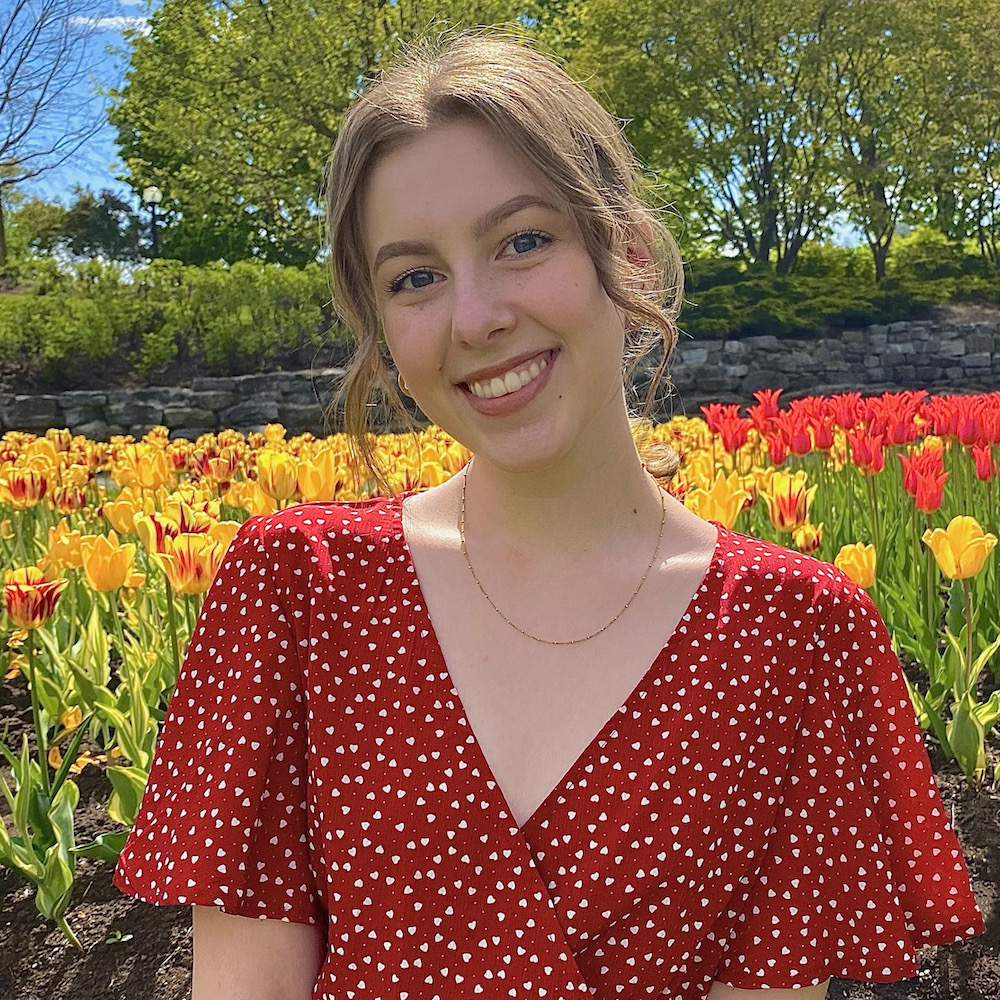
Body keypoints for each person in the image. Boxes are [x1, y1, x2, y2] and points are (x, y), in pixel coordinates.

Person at [113, 29, 984, 1000]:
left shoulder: (794, 631)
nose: (475, 314)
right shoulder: (300, 588)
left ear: (630, 255)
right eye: (415, 276)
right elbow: (245, 986)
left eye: (521, 240)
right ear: (380, 328)